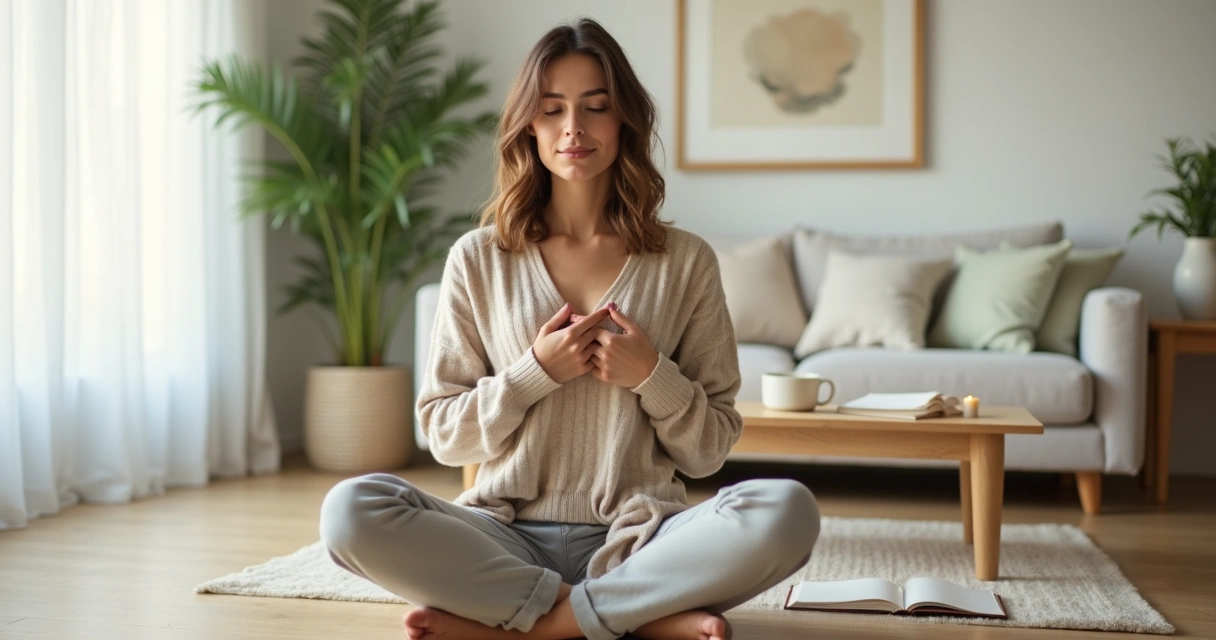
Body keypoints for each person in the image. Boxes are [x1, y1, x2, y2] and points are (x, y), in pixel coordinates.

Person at [319, 17, 820, 640]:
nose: (573, 129)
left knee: (786, 510)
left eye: (595, 108)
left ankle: (537, 620)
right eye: (552, 110)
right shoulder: (477, 258)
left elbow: (710, 449)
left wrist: (652, 377)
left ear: (624, 122)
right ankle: (634, 617)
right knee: (350, 510)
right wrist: (534, 375)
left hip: (641, 536)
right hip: (502, 536)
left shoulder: (686, 261)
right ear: (529, 125)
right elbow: (445, 436)